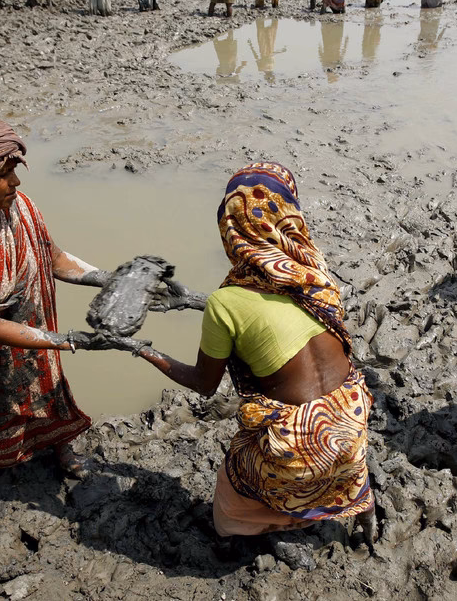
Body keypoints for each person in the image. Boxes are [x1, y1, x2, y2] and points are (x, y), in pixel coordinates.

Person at [134, 162, 377, 541]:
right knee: (339, 427)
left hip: (297, 451)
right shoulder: (314, 275)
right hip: (353, 421)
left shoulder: (225, 303)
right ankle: (364, 506)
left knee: (232, 488)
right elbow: (272, 313)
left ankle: (268, 527)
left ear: (229, 228)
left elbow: (204, 384)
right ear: (287, 216)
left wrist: (145, 351)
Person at [0, 116, 139, 505]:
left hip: (32, 333)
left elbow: (53, 258)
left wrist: (114, 280)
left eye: (15, 170)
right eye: (3, 173)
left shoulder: (18, 208)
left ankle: (60, 448)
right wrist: (71, 341)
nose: (15, 183)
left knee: (49, 394)